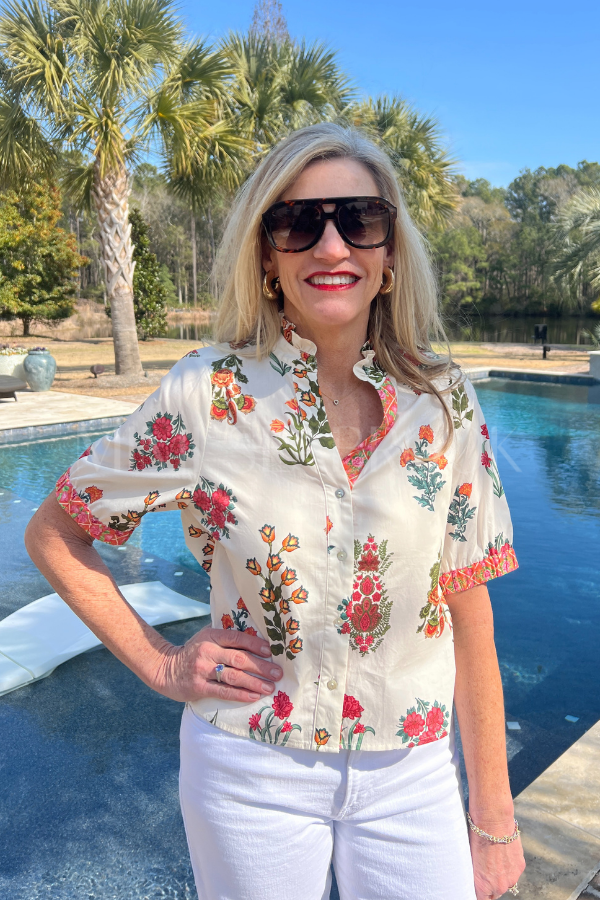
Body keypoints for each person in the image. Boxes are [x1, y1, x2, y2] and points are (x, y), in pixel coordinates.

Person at [25, 123, 526, 900]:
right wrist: (160, 663)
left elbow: (470, 609)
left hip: (412, 772)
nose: (331, 246)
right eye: (297, 223)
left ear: (390, 252)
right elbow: (56, 533)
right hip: (249, 770)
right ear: (266, 256)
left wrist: (493, 817)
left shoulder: (443, 401)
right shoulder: (206, 394)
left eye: (359, 219)